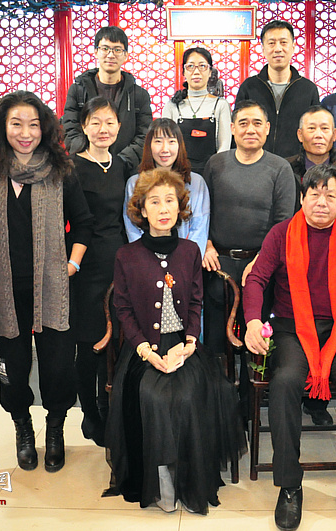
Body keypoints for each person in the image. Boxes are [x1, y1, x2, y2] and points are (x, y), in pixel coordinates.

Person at [244, 165, 336, 531]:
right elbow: (257, 279)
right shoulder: (282, 233)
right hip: (290, 328)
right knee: (284, 383)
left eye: (330, 195)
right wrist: (251, 322)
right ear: (302, 198)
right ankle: (289, 486)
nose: (321, 202)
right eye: (314, 194)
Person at [105, 168, 245, 514]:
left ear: (180, 207)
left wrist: (189, 342)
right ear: (142, 209)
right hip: (142, 348)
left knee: (189, 394)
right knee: (153, 396)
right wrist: (144, 350)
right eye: (154, 202)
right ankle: (160, 474)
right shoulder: (126, 255)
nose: (163, 208)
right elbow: (123, 308)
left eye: (170, 201)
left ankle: (188, 475)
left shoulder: (189, 251)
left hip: (183, 344)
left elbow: (196, 301)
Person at [0, 90, 94, 474]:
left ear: (44, 128)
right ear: (3, 128)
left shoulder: (62, 172)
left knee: (58, 366)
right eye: (16, 124)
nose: (25, 133)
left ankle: (56, 428)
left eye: (33, 124)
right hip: (5, 289)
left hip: (53, 286)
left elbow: (84, 224)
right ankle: (23, 427)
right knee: (12, 367)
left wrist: (71, 265)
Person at [201, 100, 296, 358]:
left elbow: (283, 223)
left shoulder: (280, 168)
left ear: (267, 128)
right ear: (232, 128)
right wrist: (206, 244)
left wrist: (261, 260)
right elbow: (203, 211)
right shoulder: (216, 164)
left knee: (258, 341)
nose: (250, 129)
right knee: (215, 342)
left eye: (257, 123)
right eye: (243, 123)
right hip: (218, 262)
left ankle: (253, 385)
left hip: (262, 265)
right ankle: (218, 383)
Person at [284, 105, 336, 426]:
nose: (318, 134)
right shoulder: (285, 167)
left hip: (335, 257)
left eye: (325, 128)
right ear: (300, 135)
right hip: (294, 256)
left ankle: (317, 403)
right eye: (311, 128)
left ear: (334, 134)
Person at [70, 96, 126, 447]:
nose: (103, 129)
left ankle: (109, 409)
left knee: (116, 339)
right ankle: (89, 412)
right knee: (88, 341)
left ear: (119, 127)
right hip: (85, 264)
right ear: (84, 127)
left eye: (109, 122)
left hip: (119, 262)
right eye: (96, 122)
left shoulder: (122, 166)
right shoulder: (72, 167)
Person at [62, 25, 152, 177]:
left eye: (117, 50)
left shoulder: (139, 95)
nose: (111, 55)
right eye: (105, 49)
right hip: (85, 168)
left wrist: (120, 162)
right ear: (96, 52)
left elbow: (144, 135)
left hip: (126, 170)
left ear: (126, 55)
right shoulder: (78, 90)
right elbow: (70, 128)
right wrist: (90, 156)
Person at [123, 118, 210, 256]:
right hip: (145, 260)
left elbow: (199, 228)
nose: (165, 149)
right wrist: (147, 259)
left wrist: (186, 259)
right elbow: (132, 227)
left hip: (185, 259)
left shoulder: (196, 182)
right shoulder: (134, 183)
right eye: (158, 141)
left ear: (180, 145)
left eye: (171, 141)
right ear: (149, 145)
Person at [236, 20, 319, 159]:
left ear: (293, 47)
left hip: (296, 165)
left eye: (283, 42)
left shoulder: (308, 89)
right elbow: (238, 129)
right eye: (271, 43)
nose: (278, 49)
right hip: (255, 163)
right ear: (263, 49)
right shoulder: (249, 87)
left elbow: (314, 130)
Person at [162, 47, 231, 176]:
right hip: (178, 173)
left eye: (202, 66)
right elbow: (166, 144)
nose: (196, 72)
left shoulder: (220, 105)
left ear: (210, 72)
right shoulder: (172, 106)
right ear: (183, 72)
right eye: (191, 66)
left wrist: (214, 171)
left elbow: (224, 147)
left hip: (212, 172)